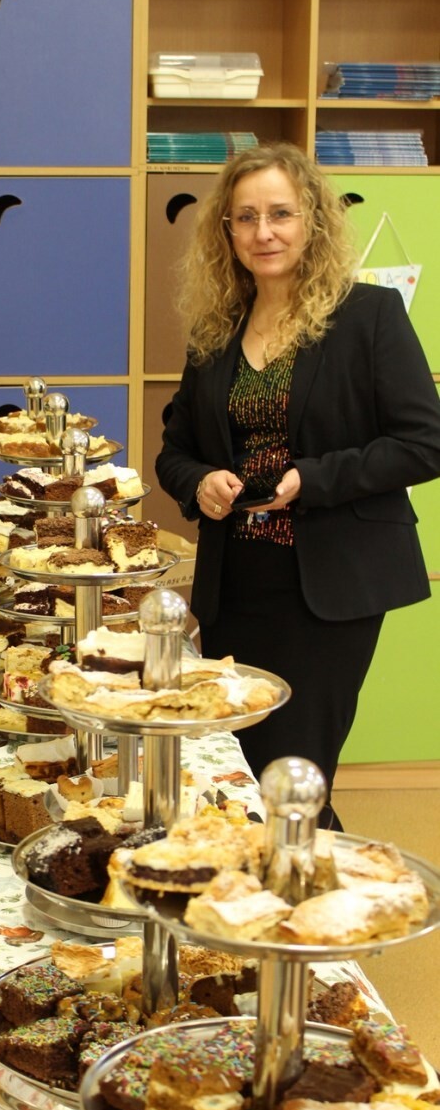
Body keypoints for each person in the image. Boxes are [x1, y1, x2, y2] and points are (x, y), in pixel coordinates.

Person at [156, 141, 440, 827]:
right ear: (226, 231)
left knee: (292, 771)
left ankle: (309, 886)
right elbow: (175, 451)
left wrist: (310, 479)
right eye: (245, 217)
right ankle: (280, 883)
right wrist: (199, 483)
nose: (264, 232)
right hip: (235, 585)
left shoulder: (368, 315)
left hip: (331, 588)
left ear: (312, 219)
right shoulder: (215, 332)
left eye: (280, 214)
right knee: (240, 764)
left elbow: (423, 442)